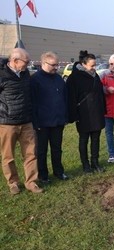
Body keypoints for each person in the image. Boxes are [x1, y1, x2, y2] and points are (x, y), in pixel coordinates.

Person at [0, 48, 43, 194]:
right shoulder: (2, 75)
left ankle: (31, 182)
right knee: (8, 155)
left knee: (31, 153)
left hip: (26, 122)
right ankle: (13, 183)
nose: (28, 64)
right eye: (26, 61)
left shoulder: (25, 74)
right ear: (14, 61)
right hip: (7, 123)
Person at [31, 51, 69, 183]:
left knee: (57, 149)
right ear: (43, 63)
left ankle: (59, 172)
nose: (56, 67)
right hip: (42, 123)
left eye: (57, 65)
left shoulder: (59, 78)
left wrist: (65, 117)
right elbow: (32, 103)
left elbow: (64, 98)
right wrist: (35, 122)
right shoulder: (35, 80)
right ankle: (43, 175)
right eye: (53, 65)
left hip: (58, 121)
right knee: (41, 151)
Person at [67, 50, 106, 173]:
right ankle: (85, 165)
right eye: (92, 65)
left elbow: (100, 94)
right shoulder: (74, 78)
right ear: (84, 64)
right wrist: (74, 115)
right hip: (83, 114)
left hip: (97, 113)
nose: (94, 68)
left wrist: (103, 109)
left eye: (95, 65)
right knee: (84, 139)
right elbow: (70, 98)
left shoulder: (96, 76)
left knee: (96, 139)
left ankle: (95, 162)